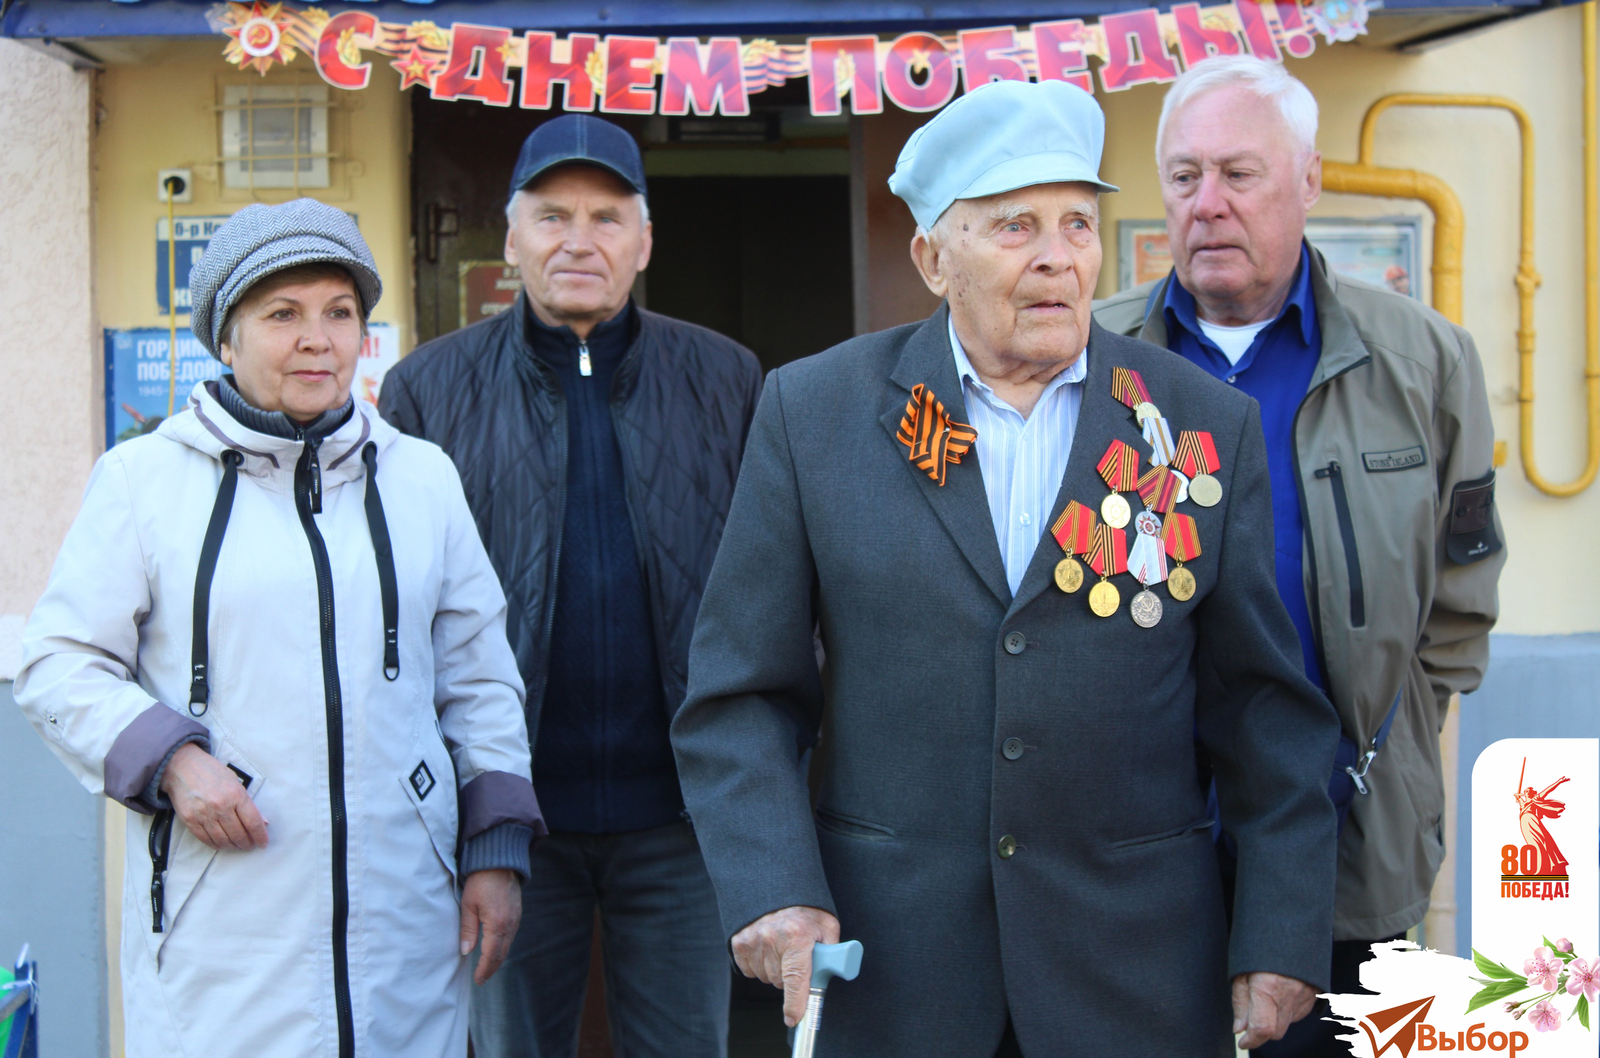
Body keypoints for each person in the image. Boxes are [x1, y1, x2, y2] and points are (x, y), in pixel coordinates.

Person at [671, 78, 1341, 1057]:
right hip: (899, 973)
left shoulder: (1193, 423)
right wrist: (773, 881)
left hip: (1134, 975)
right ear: (932, 258)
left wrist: (1281, 931)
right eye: (1014, 226)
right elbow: (739, 697)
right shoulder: (816, 415)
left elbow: (1263, 709)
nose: (1056, 257)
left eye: (1077, 223)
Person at [13, 198, 544, 1057]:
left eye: (340, 313)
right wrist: (175, 761)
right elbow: (58, 663)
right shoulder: (143, 481)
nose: (317, 338)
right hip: (220, 921)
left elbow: (479, 678)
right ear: (226, 336)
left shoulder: (422, 479)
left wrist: (494, 847)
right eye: (282, 314)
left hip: (406, 924)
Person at [1095, 56, 1505, 1054]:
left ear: (1308, 181)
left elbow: (1460, 602)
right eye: (1184, 176)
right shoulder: (1097, 358)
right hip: (1136, 848)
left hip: (1344, 838)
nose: (1207, 204)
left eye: (1240, 174)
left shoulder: (1423, 361)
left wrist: (1381, 741)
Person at [379, 115, 763, 1058]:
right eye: (551, 217)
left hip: (682, 820)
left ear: (643, 241)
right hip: (509, 828)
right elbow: (393, 616)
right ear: (510, 240)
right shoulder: (427, 391)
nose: (578, 240)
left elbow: (780, 590)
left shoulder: (729, 378)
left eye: (605, 216)